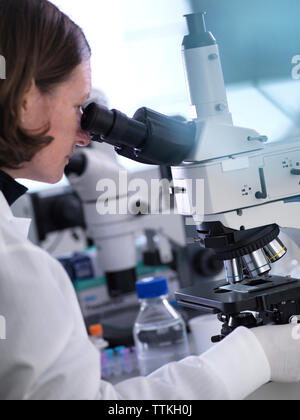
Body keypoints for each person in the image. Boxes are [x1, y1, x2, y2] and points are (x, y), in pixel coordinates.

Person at [0, 0, 300, 401]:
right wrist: (256, 354)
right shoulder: (16, 269)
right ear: (25, 98)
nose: (86, 135)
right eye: (78, 108)